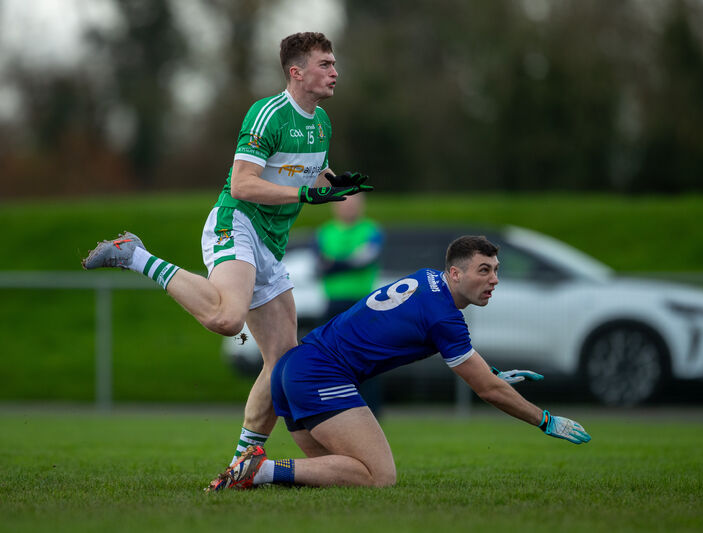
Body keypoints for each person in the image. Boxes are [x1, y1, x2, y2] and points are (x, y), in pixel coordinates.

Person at [81, 32, 372, 469]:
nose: (335, 72)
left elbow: (308, 172)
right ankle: (134, 254)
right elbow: (243, 184)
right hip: (235, 222)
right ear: (297, 72)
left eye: (333, 64)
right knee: (226, 318)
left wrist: (333, 182)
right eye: (325, 64)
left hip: (271, 245)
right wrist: (305, 197)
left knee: (283, 363)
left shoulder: (322, 122)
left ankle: (243, 463)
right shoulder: (267, 114)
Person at [206, 235, 591, 491]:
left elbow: (470, 365)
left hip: (295, 368)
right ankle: (259, 470)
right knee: (380, 477)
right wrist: (545, 420)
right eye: (484, 270)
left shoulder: (428, 279)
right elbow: (487, 391)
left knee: (343, 476)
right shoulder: (445, 316)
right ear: (455, 273)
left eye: (496, 271)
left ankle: (253, 471)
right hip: (321, 374)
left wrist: (489, 371)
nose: (493, 280)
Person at [314, 194, 384, 415]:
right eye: (344, 203)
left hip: (363, 304)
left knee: (367, 359)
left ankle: (371, 412)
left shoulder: (371, 230)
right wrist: (347, 262)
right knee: (328, 358)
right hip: (333, 304)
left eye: (354, 203)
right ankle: (331, 411)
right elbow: (319, 265)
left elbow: (365, 259)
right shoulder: (324, 232)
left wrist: (334, 263)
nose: (349, 208)